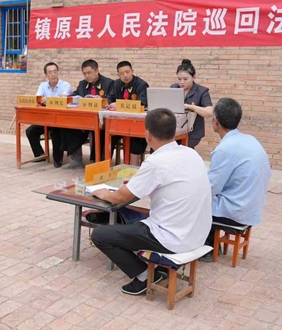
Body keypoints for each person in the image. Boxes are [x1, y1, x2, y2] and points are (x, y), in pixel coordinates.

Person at [90, 108, 211, 295]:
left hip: (172, 238)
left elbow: (120, 197)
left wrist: (105, 193)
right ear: (175, 131)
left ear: (147, 134)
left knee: (100, 235)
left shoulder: (155, 161)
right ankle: (153, 268)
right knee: (134, 219)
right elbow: (169, 183)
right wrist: (138, 183)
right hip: (198, 233)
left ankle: (145, 276)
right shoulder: (191, 154)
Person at [202, 98, 271, 262]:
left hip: (236, 210)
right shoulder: (250, 140)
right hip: (252, 206)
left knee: (193, 202)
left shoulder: (225, 149)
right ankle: (212, 243)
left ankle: (206, 248)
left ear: (216, 121)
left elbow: (210, 188)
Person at [58, 59, 117, 169]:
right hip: (83, 119)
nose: (87, 76)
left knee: (96, 131)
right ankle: (76, 160)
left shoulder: (109, 83)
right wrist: (68, 98)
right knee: (68, 127)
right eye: (84, 73)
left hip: (101, 121)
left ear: (97, 70)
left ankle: (95, 160)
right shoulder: (82, 84)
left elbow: (112, 99)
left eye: (89, 73)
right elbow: (75, 95)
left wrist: (103, 100)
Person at [25, 62, 72, 168]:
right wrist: (52, 99)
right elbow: (38, 99)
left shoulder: (65, 85)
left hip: (60, 119)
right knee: (30, 131)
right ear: (46, 75)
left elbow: (63, 99)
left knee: (55, 133)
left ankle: (57, 160)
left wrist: (47, 100)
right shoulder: (43, 85)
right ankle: (40, 155)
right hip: (46, 119)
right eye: (50, 72)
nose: (53, 74)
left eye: (55, 71)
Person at [106, 61, 150, 160]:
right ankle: (105, 163)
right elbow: (110, 98)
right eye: (122, 73)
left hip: (136, 122)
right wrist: (109, 103)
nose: (125, 75)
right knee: (106, 135)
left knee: (136, 138)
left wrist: (119, 105)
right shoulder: (116, 83)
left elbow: (141, 103)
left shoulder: (142, 85)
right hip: (119, 122)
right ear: (118, 75)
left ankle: (133, 165)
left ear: (132, 71)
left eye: (127, 72)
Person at [171, 59, 213, 149]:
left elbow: (209, 113)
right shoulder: (174, 88)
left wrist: (193, 107)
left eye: (185, 79)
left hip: (193, 132)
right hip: (174, 129)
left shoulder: (202, 91)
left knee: (183, 151)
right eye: (179, 79)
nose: (182, 82)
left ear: (194, 77)